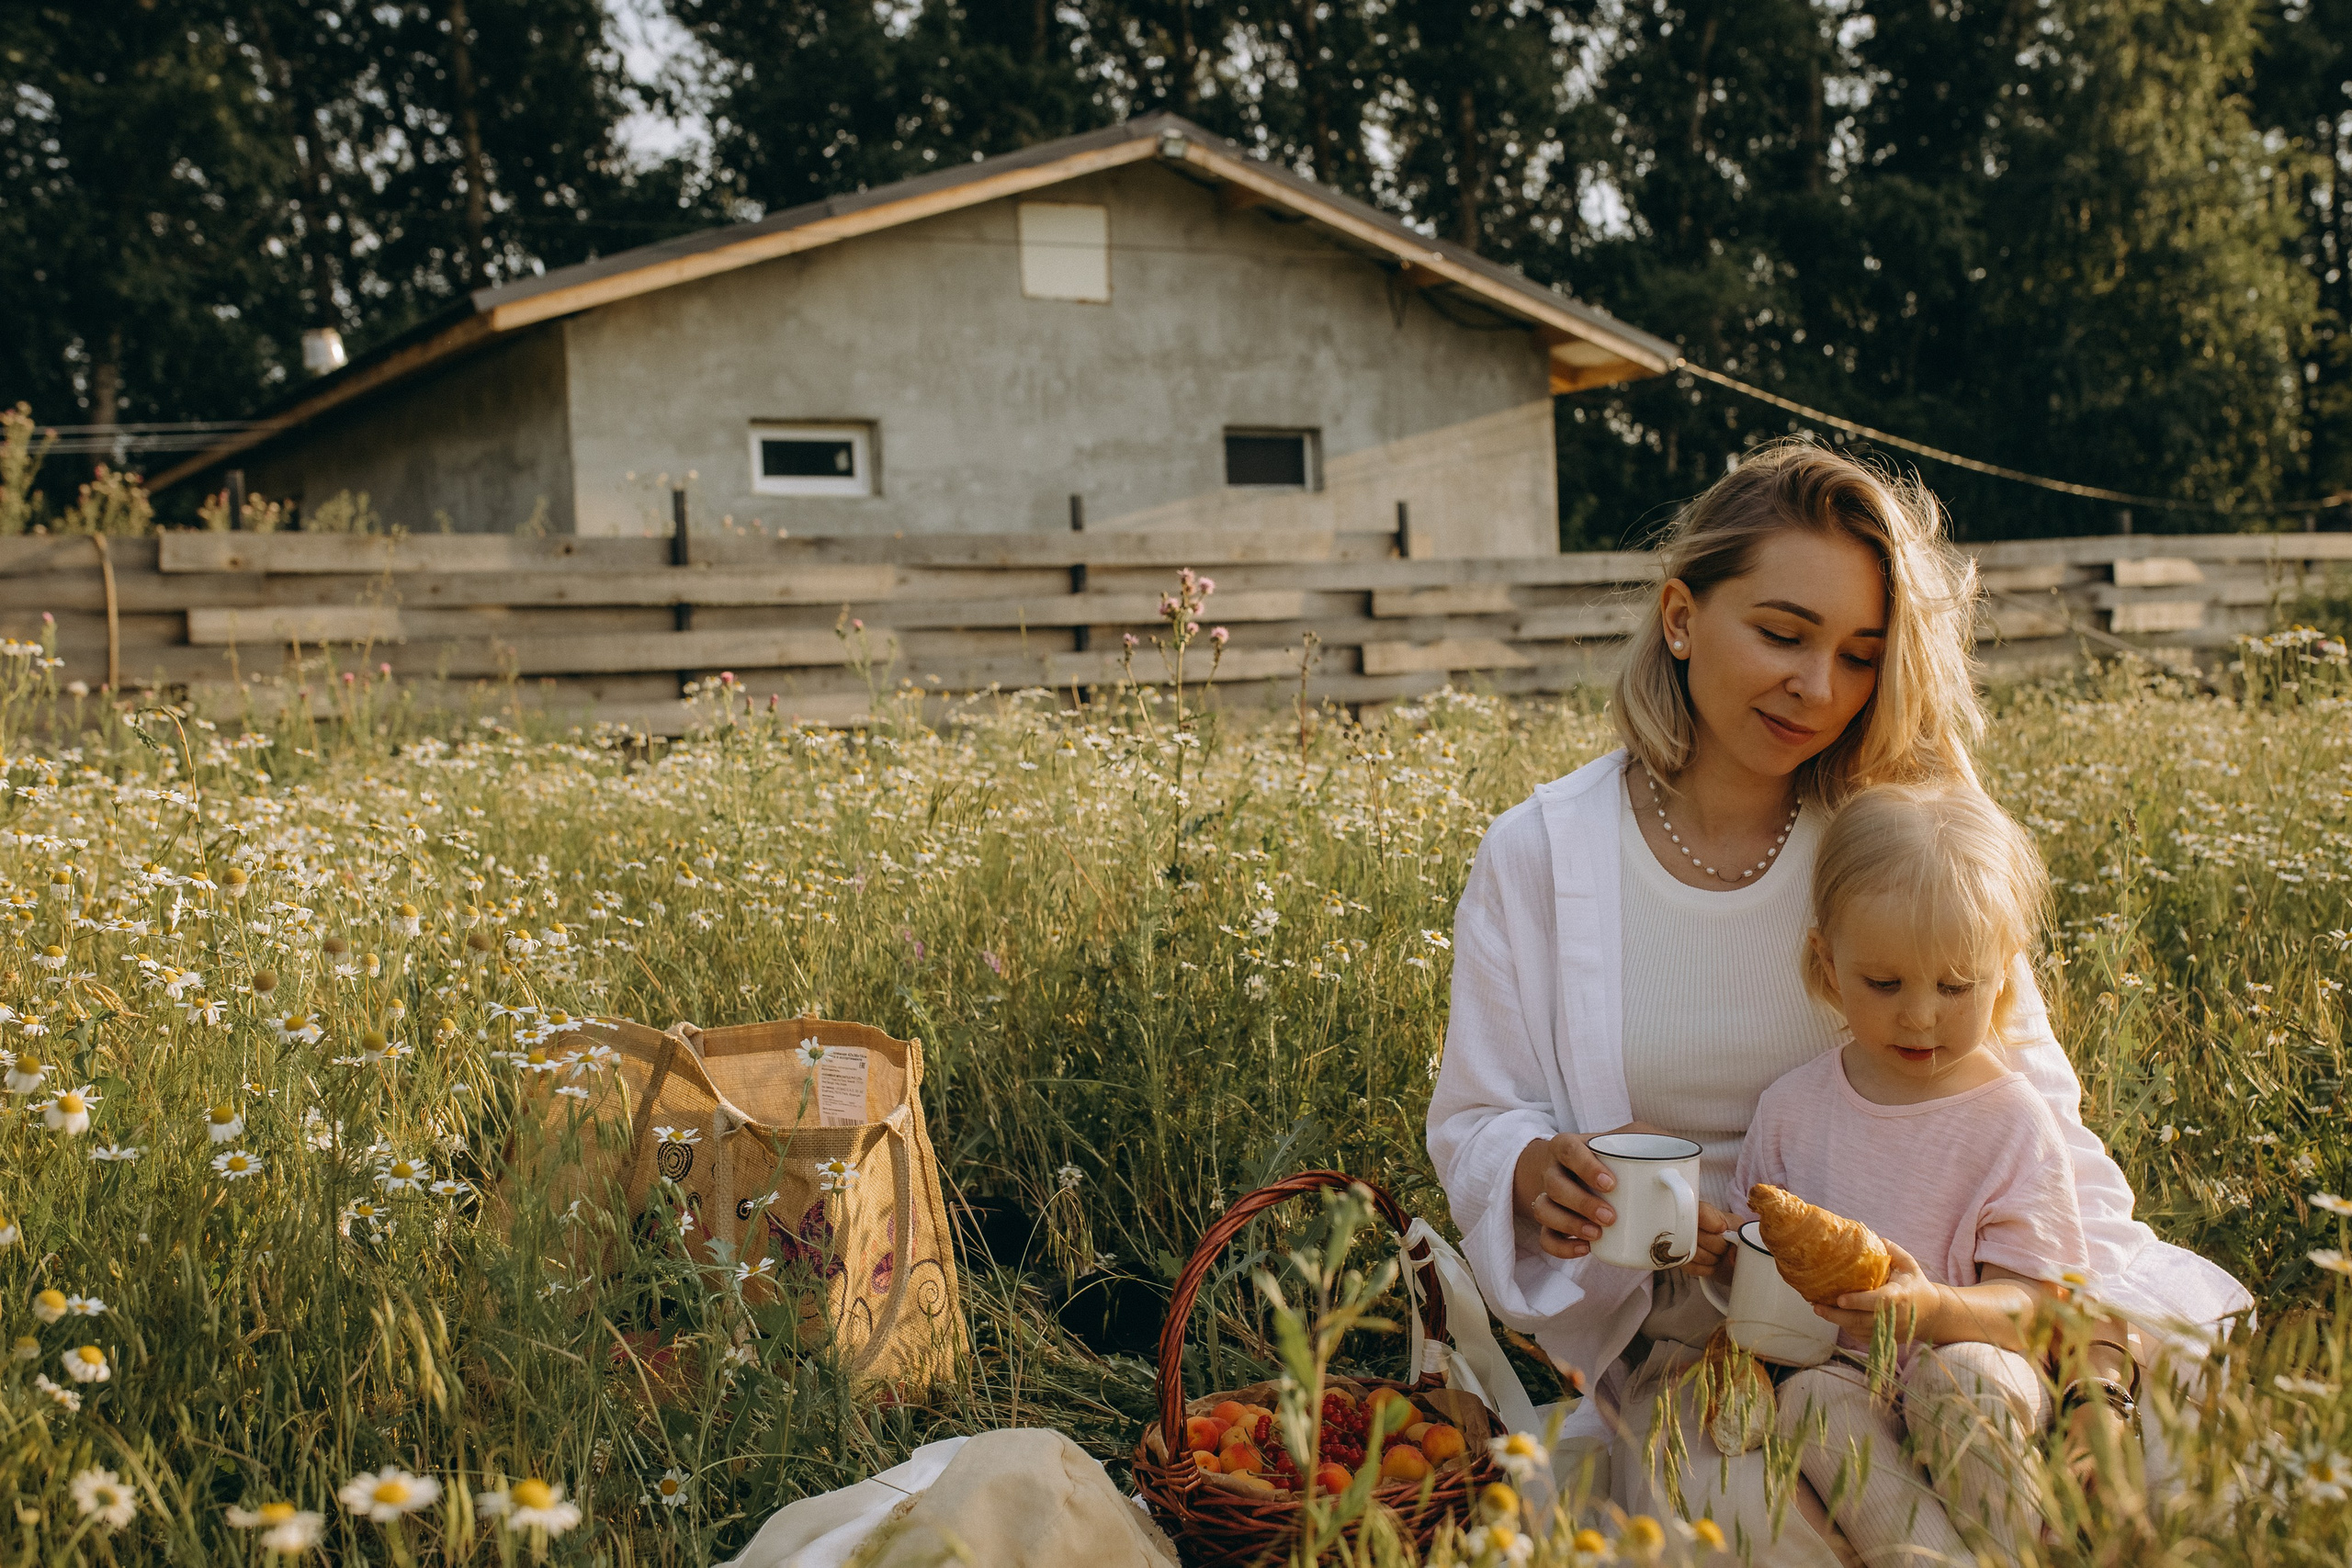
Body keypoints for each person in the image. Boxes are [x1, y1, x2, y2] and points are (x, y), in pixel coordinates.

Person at [1423, 440, 2250, 1562]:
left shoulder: (1892, 837)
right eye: (1781, 633)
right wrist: (1529, 1168)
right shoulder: (1541, 854)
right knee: (1745, 1529)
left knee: (2140, 1491)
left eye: (1860, 654)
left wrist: (2072, 1339)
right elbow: (1480, 1113)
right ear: (1679, 616)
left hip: (1948, 1303)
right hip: (1705, 1337)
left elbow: (2028, 1102)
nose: (1818, 688)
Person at [1729, 782, 2086, 1563]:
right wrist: (1715, 1256)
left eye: (1956, 985)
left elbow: (2040, 1310)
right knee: (1810, 1405)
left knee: (1959, 1382)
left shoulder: (2012, 1120)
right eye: (1884, 984)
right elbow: (1749, 1263)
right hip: (1842, 1371)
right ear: (1827, 964)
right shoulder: (1793, 1108)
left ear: (2004, 973)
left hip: (1971, 1363)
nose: (1921, 1015)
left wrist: (1935, 1308)